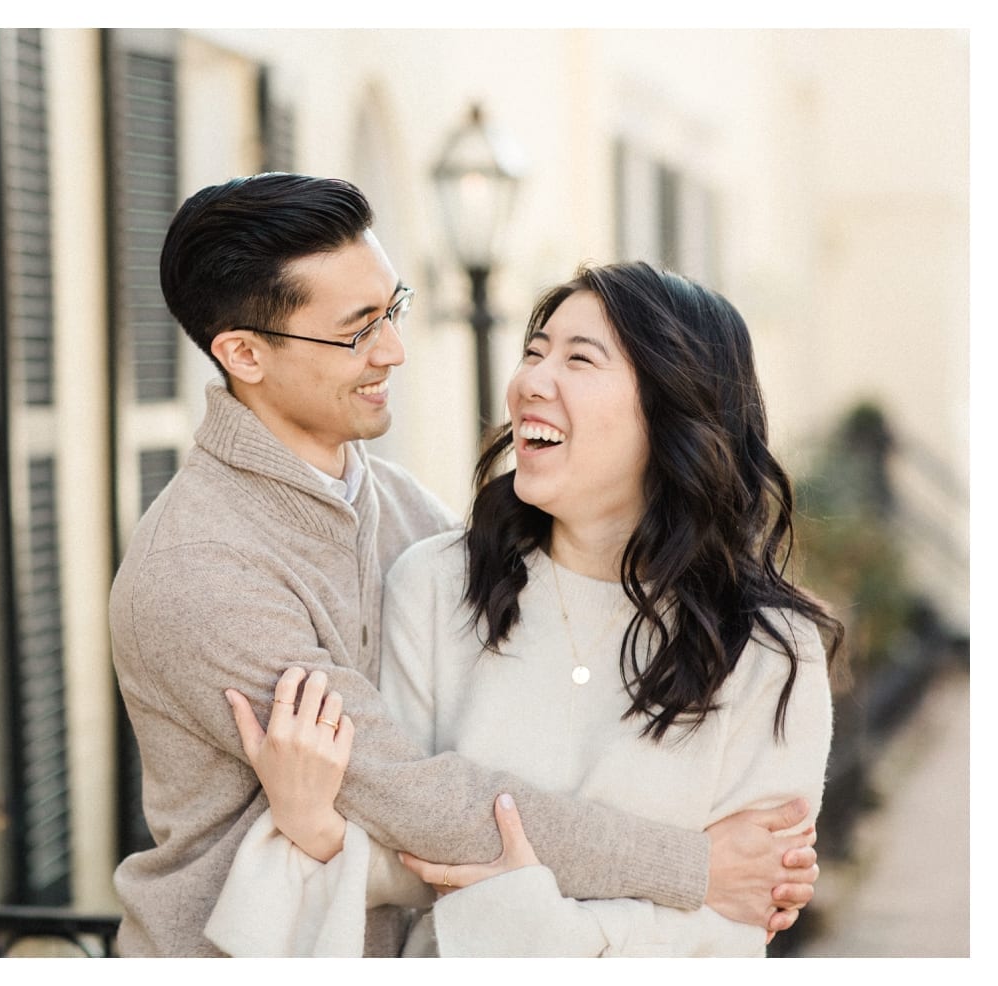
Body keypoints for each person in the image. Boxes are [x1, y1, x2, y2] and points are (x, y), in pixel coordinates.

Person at [109, 174, 820, 957]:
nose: (394, 350)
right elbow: (417, 801)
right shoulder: (200, 571)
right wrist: (698, 864)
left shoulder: (406, 514)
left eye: (394, 308)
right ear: (243, 353)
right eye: (357, 331)